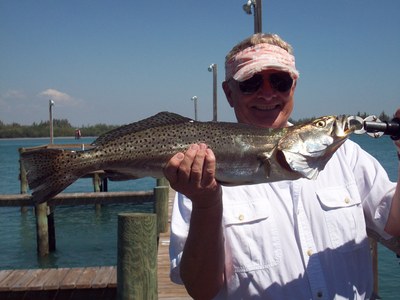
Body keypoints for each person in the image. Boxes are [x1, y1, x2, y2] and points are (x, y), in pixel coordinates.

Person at [163, 33, 400, 299]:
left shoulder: (347, 156)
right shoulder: (201, 171)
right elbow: (202, 290)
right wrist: (206, 203)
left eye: (280, 81)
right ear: (229, 93)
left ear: (293, 87)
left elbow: (395, 224)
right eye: (251, 83)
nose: (267, 93)